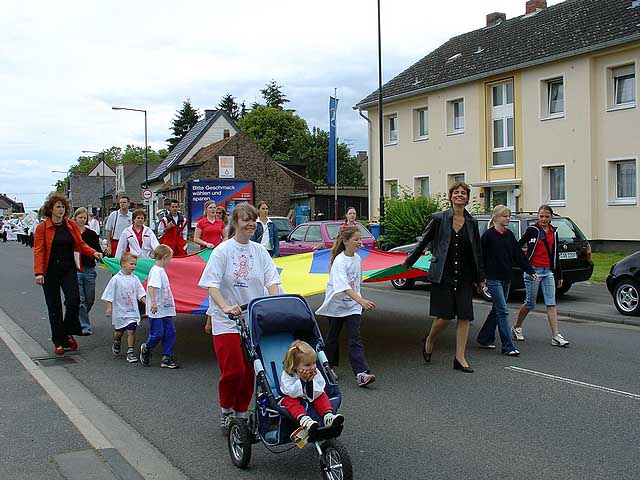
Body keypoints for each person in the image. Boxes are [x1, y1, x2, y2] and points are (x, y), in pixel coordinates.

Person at [198, 203, 282, 432]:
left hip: (252, 319)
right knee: (233, 370)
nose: (251, 225)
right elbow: (211, 285)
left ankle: (241, 412)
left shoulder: (259, 251)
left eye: (253, 220)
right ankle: (226, 410)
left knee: (249, 372)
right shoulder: (222, 251)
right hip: (227, 320)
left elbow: (272, 281)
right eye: (246, 220)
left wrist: (274, 302)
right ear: (234, 222)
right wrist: (224, 307)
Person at [403, 182, 485, 373]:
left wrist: (480, 277)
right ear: (450, 196)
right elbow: (424, 241)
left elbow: (477, 252)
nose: (459, 195)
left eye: (463, 193)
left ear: (467, 198)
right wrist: (409, 261)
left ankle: (460, 358)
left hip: (464, 275)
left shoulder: (472, 223)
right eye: (456, 192)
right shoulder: (439, 218)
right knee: (445, 316)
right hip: (443, 273)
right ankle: (430, 339)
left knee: (464, 316)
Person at [33, 194, 102, 355]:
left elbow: (81, 244)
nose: (61, 210)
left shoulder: (70, 225)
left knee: (74, 301)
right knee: (54, 306)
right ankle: (59, 340)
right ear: (51, 209)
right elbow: (39, 251)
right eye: (58, 207)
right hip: (50, 271)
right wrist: (38, 272)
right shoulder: (42, 228)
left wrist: (94, 253)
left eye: (63, 207)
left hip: (68, 268)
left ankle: (67, 331)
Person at [316, 226, 377, 387]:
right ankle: (326, 367)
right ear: (345, 241)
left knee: (355, 338)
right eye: (356, 239)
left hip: (352, 306)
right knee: (332, 339)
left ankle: (361, 373)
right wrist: (361, 301)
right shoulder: (339, 261)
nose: (359, 242)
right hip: (336, 306)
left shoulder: (357, 259)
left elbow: (356, 284)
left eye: (360, 239)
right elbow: (343, 286)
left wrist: (359, 301)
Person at [476, 205, 536, 356]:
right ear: (496, 218)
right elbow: (480, 258)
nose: (508, 218)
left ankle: (484, 338)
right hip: (493, 278)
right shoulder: (488, 236)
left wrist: (530, 270)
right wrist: (481, 278)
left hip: (506, 278)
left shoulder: (509, 235)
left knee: (497, 309)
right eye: (504, 216)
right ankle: (508, 346)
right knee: (503, 310)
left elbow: (518, 255)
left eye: (508, 216)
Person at [512, 204, 570, 347]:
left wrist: (560, 275)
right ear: (538, 217)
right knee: (530, 303)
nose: (544, 219)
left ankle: (556, 335)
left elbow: (555, 255)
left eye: (547, 216)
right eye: (541, 216)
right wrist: (524, 261)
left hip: (548, 271)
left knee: (551, 302)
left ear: (551, 217)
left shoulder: (553, 232)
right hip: (533, 271)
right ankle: (516, 327)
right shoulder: (532, 230)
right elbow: (518, 245)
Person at [280, 340, 344, 434]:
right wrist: (303, 380)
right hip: (294, 397)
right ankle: (304, 419)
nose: (312, 367)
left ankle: (328, 416)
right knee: (289, 401)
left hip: (311, 395)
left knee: (322, 395)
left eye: (314, 363)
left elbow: (320, 387)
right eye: (307, 365)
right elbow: (290, 392)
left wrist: (310, 381)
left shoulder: (314, 371)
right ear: (295, 366)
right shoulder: (288, 374)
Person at [101, 252, 147, 363]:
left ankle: (130, 352)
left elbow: (140, 293)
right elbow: (109, 294)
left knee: (131, 331)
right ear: (123, 264)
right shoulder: (116, 279)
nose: (133, 267)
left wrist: (146, 302)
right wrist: (108, 307)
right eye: (131, 264)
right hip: (120, 312)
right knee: (119, 332)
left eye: (135, 264)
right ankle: (117, 341)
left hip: (132, 311)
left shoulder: (135, 279)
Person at [140, 244, 179, 369]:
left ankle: (167, 356)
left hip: (165, 307)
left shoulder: (160, 270)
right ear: (165, 257)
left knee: (170, 331)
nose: (170, 261)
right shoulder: (156, 271)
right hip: (157, 308)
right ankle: (147, 347)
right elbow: (151, 286)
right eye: (170, 258)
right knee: (157, 333)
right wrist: (153, 302)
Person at [73, 207, 103, 336]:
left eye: (84, 218)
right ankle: (84, 325)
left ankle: (82, 315)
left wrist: (101, 255)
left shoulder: (91, 234)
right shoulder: (71, 233)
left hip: (89, 268)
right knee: (81, 299)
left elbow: (97, 250)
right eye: (80, 217)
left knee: (90, 298)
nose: (82, 220)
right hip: (76, 268)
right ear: (75, 218)